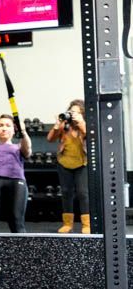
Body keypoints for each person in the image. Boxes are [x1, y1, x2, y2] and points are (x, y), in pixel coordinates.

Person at [47, 99, 90, 234]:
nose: (73, 115)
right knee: (66, 193)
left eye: (77, 112)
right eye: (72, 112)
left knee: (83, 194)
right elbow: (50, 139)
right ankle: (67, 224)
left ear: (83, 114)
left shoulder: (86, 125)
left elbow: (91, 136)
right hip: (64, 163)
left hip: (82, 164)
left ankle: (86, 224)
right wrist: (56, 125)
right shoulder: (64, 126)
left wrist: (81, 122)